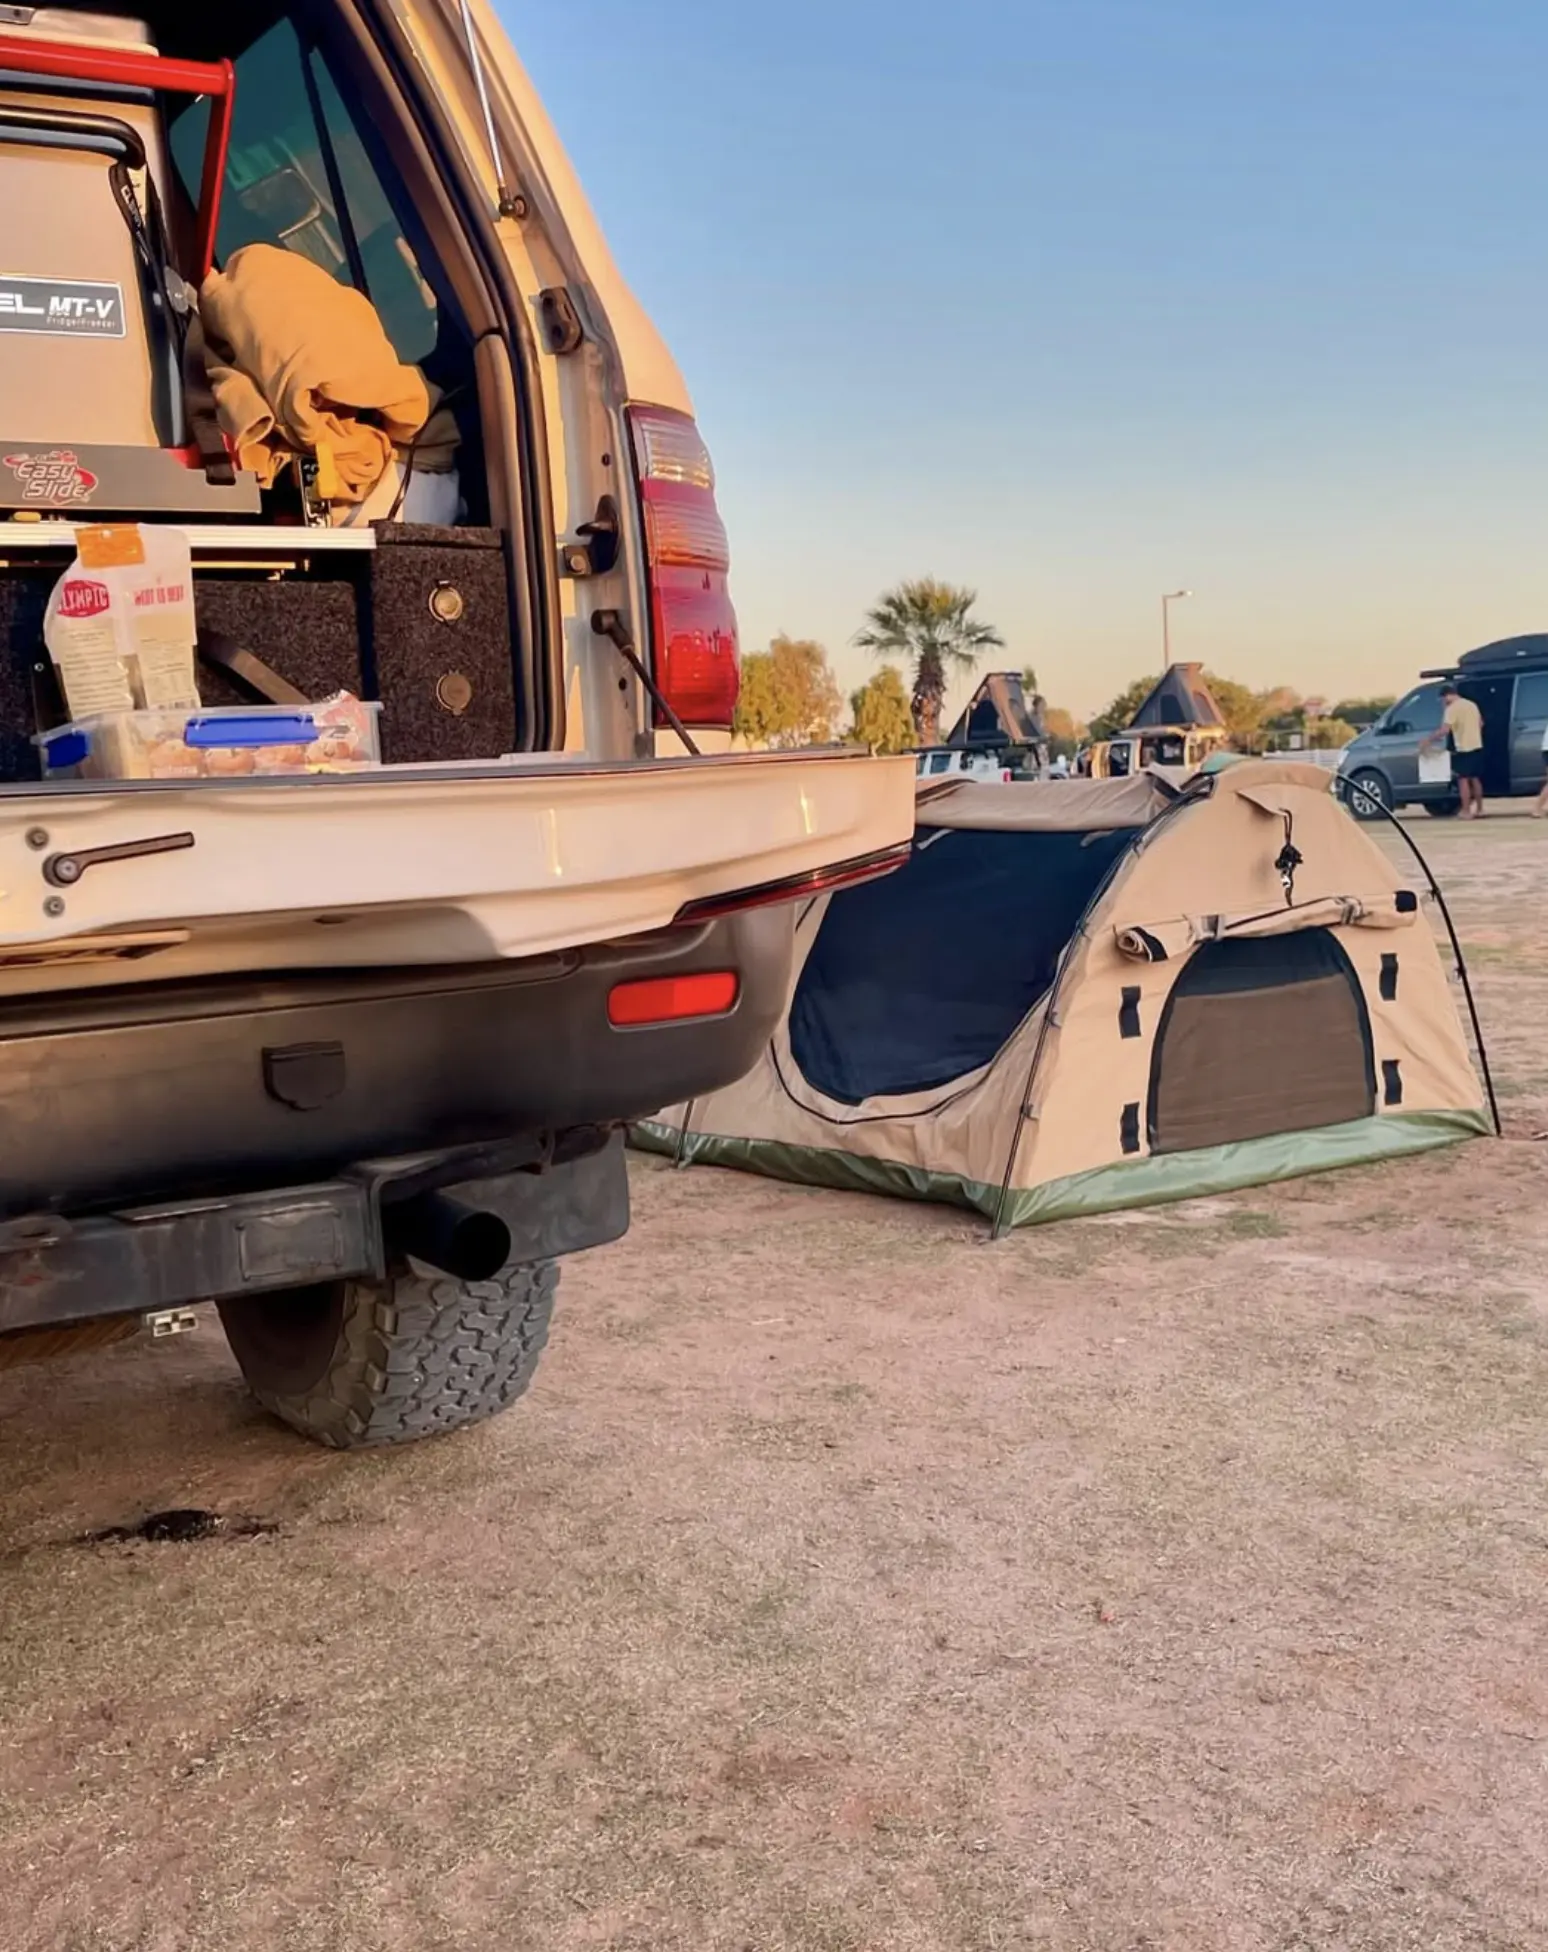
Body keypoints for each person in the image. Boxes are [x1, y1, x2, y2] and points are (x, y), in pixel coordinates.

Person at [1421, 683, 1485, 819]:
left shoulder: (1452, 709)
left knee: (1463, 780)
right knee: (1475, 778)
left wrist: (1429, 739)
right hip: (1477, 745)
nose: (1443, 702)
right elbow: (1481, 724)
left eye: (1443, 700)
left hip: (1463, 747)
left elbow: (1445, 730)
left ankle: (1466, 811)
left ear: (1447, 696)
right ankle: (1480, 808)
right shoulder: (1471, 704)